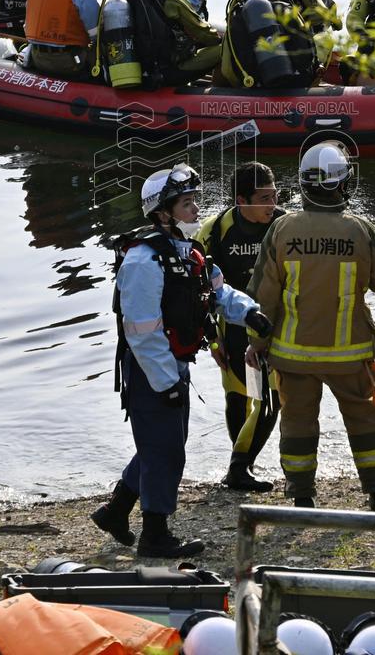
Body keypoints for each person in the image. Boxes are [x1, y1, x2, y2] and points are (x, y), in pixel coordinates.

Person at [90, 163, 272, 558]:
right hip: (150, 370)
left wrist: (250, 311)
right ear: (162, 212)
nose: (195, 210)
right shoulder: (142, 261)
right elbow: (142, 332)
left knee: (163, 443)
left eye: (194, 202)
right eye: (187, 203)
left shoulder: (189, 253)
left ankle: (116, 511)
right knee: (167, 449)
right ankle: (155, 534)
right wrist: (164, 381)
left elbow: (219, 292)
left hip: (175, 365)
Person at [246, 140, 375, 511]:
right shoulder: (361, 230)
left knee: (298, 421)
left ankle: (301, 494)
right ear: (344, 183)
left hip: (292, 354)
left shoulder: (282, 229)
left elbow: (262, 296)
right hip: (349, 354)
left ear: (303, 184)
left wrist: (257, 342)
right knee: (364, 417)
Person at [195, 162, 285, 492]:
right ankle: (242, 466)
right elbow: (196, 286)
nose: (271, 204)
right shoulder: (216, 229)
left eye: (274, 196)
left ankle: (239, 466)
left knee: (269, 401)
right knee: (237, 398)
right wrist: (210, 338)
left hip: (270, 326)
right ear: (241, 200)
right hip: (231, 327)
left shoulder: (283, 225)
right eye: (263, 198)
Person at [218, 0, 319, 88]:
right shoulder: (287, 8)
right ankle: (314, 88)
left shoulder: (238, 8)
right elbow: (306, 58)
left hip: (251, 83)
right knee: (324, 39)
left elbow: (227, 69)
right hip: (293, 84)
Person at [125, 0, 222, 85]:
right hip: (168, 71)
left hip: (138, 69)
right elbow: (203, 33)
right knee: (224, 49)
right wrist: (220, 39)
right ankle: (219, 90)